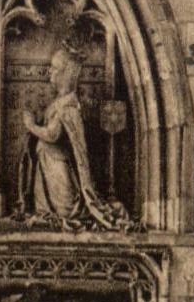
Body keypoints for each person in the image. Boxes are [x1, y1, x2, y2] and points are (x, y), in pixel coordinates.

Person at [18, 44, 131, 230]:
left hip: (56, 165)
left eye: (54, 68)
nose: (50, 72)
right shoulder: (58, 103)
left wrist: (31, 125)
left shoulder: (68, 106)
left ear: (65, 74)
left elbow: (52, 135)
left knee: (66, 211)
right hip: (46, 165)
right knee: (44, 212)